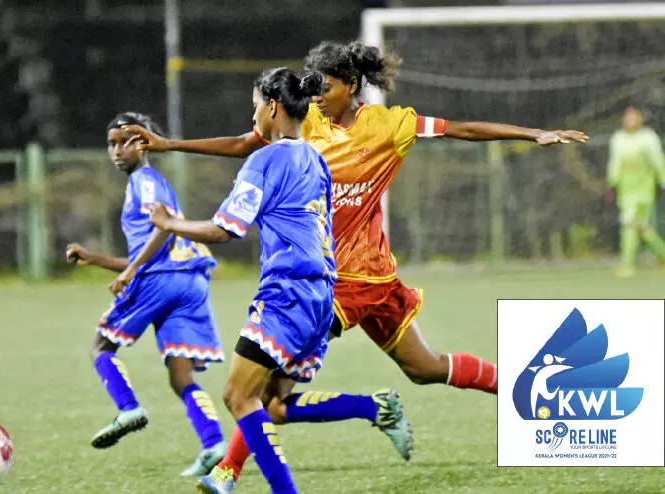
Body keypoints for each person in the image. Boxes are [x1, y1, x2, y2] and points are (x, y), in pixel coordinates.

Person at [124, 40, 590, 486]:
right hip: (344, 279)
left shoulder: (389, 125)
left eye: (325, 87)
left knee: (279, 390)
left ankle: (229, 471)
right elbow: (247, 142)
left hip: (351, 282)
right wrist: (168, 147)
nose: (317, 96)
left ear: (350, 85)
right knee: (318, 386)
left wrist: (533, 133)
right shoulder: (306, 126)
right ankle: (476, 391)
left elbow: (460, 128)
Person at [147, 67, 410, 494]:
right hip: (322, 293)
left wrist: (169, 222)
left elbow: (226, 228)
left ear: (272, 107)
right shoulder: (314, 158)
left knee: (237, 396)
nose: (252, 115)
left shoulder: (264, 160)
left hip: (288, 292)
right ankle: (231, 474)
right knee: (272, 403)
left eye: (254, 106)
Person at [65, 112, 227, 477]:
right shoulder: (143, 183)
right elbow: (153, 248)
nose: (118, 150)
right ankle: (214, 443)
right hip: (189, 282)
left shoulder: (146, 181)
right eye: (112, 143)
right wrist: (97, 260)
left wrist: (131, 271)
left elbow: (164, 228)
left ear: (145, 143)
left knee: (100, 346)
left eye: (126, 141)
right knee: (181, 374)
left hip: (161, 279)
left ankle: (128, 409)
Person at [606, 104, 665, 277]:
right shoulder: (618, 138)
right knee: (636, 226)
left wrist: (663, 182)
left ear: (640, 119)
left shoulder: (648, 137)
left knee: (632, 224)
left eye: (634, 116)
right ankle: (660, 255)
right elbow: (614, 163)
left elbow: (658, 161)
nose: (630, 120)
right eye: (627, 117)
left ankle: (628, 264)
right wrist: (611, 185)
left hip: (643, 193)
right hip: (626, 192)